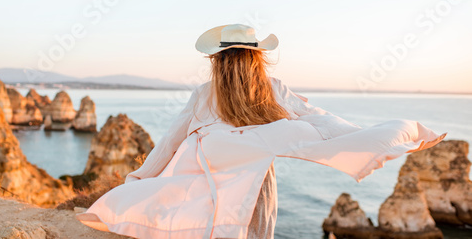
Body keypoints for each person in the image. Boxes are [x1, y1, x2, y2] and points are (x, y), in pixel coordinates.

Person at [76, 23, 446, 239]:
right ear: (257, 57)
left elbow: (169, 144)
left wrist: (138, 179)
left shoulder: (204, 94)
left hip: (207, 187)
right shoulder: (273, 89)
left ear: (217, 60)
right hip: (257, 184)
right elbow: (321, 120)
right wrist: (377, 138)